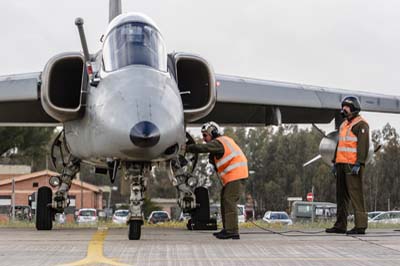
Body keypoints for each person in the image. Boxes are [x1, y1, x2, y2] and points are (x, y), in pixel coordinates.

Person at [186, 121, 248, 239]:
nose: (204, 138)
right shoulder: (221, 143)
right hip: (232, 176)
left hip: (236, 175)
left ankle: (232, 231)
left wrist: (186, 148)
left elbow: (203, 148)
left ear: (213, 133)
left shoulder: (219, 142)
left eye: (205, 135)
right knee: (225, 200)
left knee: (229, 200)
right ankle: (228, 229)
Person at [326, 96, 369, 235]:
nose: (343, 109)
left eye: (346, 107)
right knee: (341, 196)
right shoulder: (344, 124)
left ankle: (360, 225)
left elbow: (363, 146)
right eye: (343, 106)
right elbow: (340, 144)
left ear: (353, 108)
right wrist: (334, 161)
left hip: (353, 165)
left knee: (356, 195)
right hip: (341, 164)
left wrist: (359, 163)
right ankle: (340, 225)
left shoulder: (361, 125)